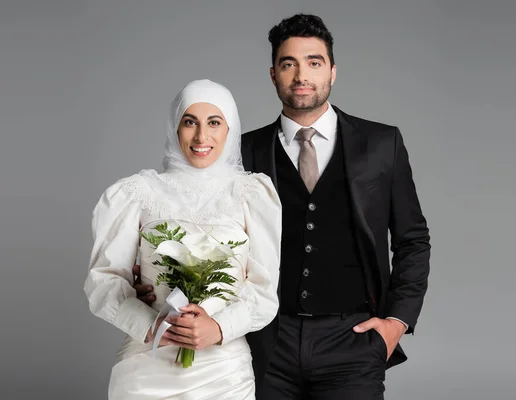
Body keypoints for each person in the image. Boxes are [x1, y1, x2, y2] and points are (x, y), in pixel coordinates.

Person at [137, 13, 430, 399]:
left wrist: (396, 322)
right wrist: (153, 279)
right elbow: (196, 224)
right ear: (273, 74)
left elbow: (412, 239)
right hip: (264, 341)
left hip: (353, 340)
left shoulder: (381, 144)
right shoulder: (241, 151)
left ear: (333, 71)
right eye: (288, 63)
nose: (301, 75)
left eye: (314, 62)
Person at [84, 79, 281, 399]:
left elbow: (263, 291)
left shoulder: (252, 195)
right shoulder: (136, 193)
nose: (202, 136)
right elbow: (104, 283)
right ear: (175, 127)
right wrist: (152, 325)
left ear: (229, 130)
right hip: (147, 367)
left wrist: (218, 329)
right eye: (190, 122)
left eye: (214, 123)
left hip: (224, 372)